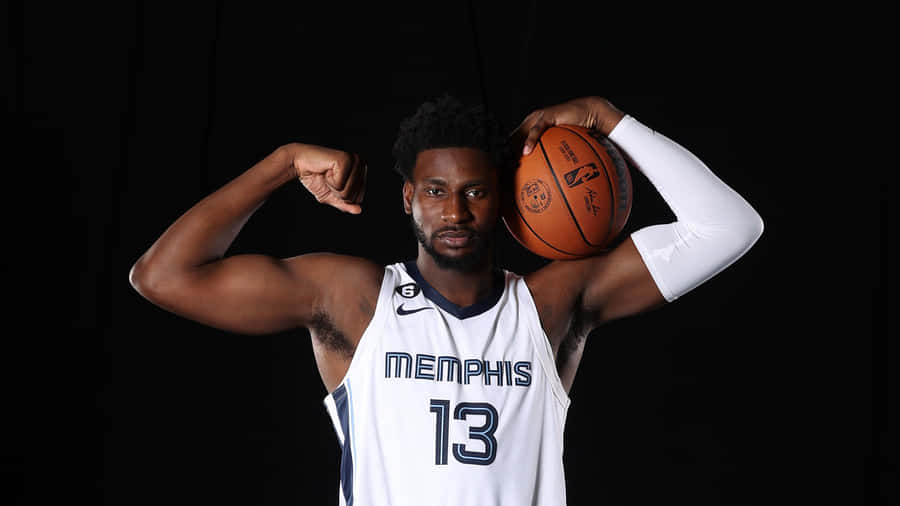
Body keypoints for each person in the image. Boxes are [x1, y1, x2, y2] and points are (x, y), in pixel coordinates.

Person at [129, 94, 763, 505]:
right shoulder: (356, 301)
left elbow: (730, 228)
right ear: (408, 198)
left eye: (476, 191)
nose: (454, 210)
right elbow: (162, 276)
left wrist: (608, 119)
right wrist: (282, 161)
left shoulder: (548, 306)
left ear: (506, 197)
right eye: (435, 190)